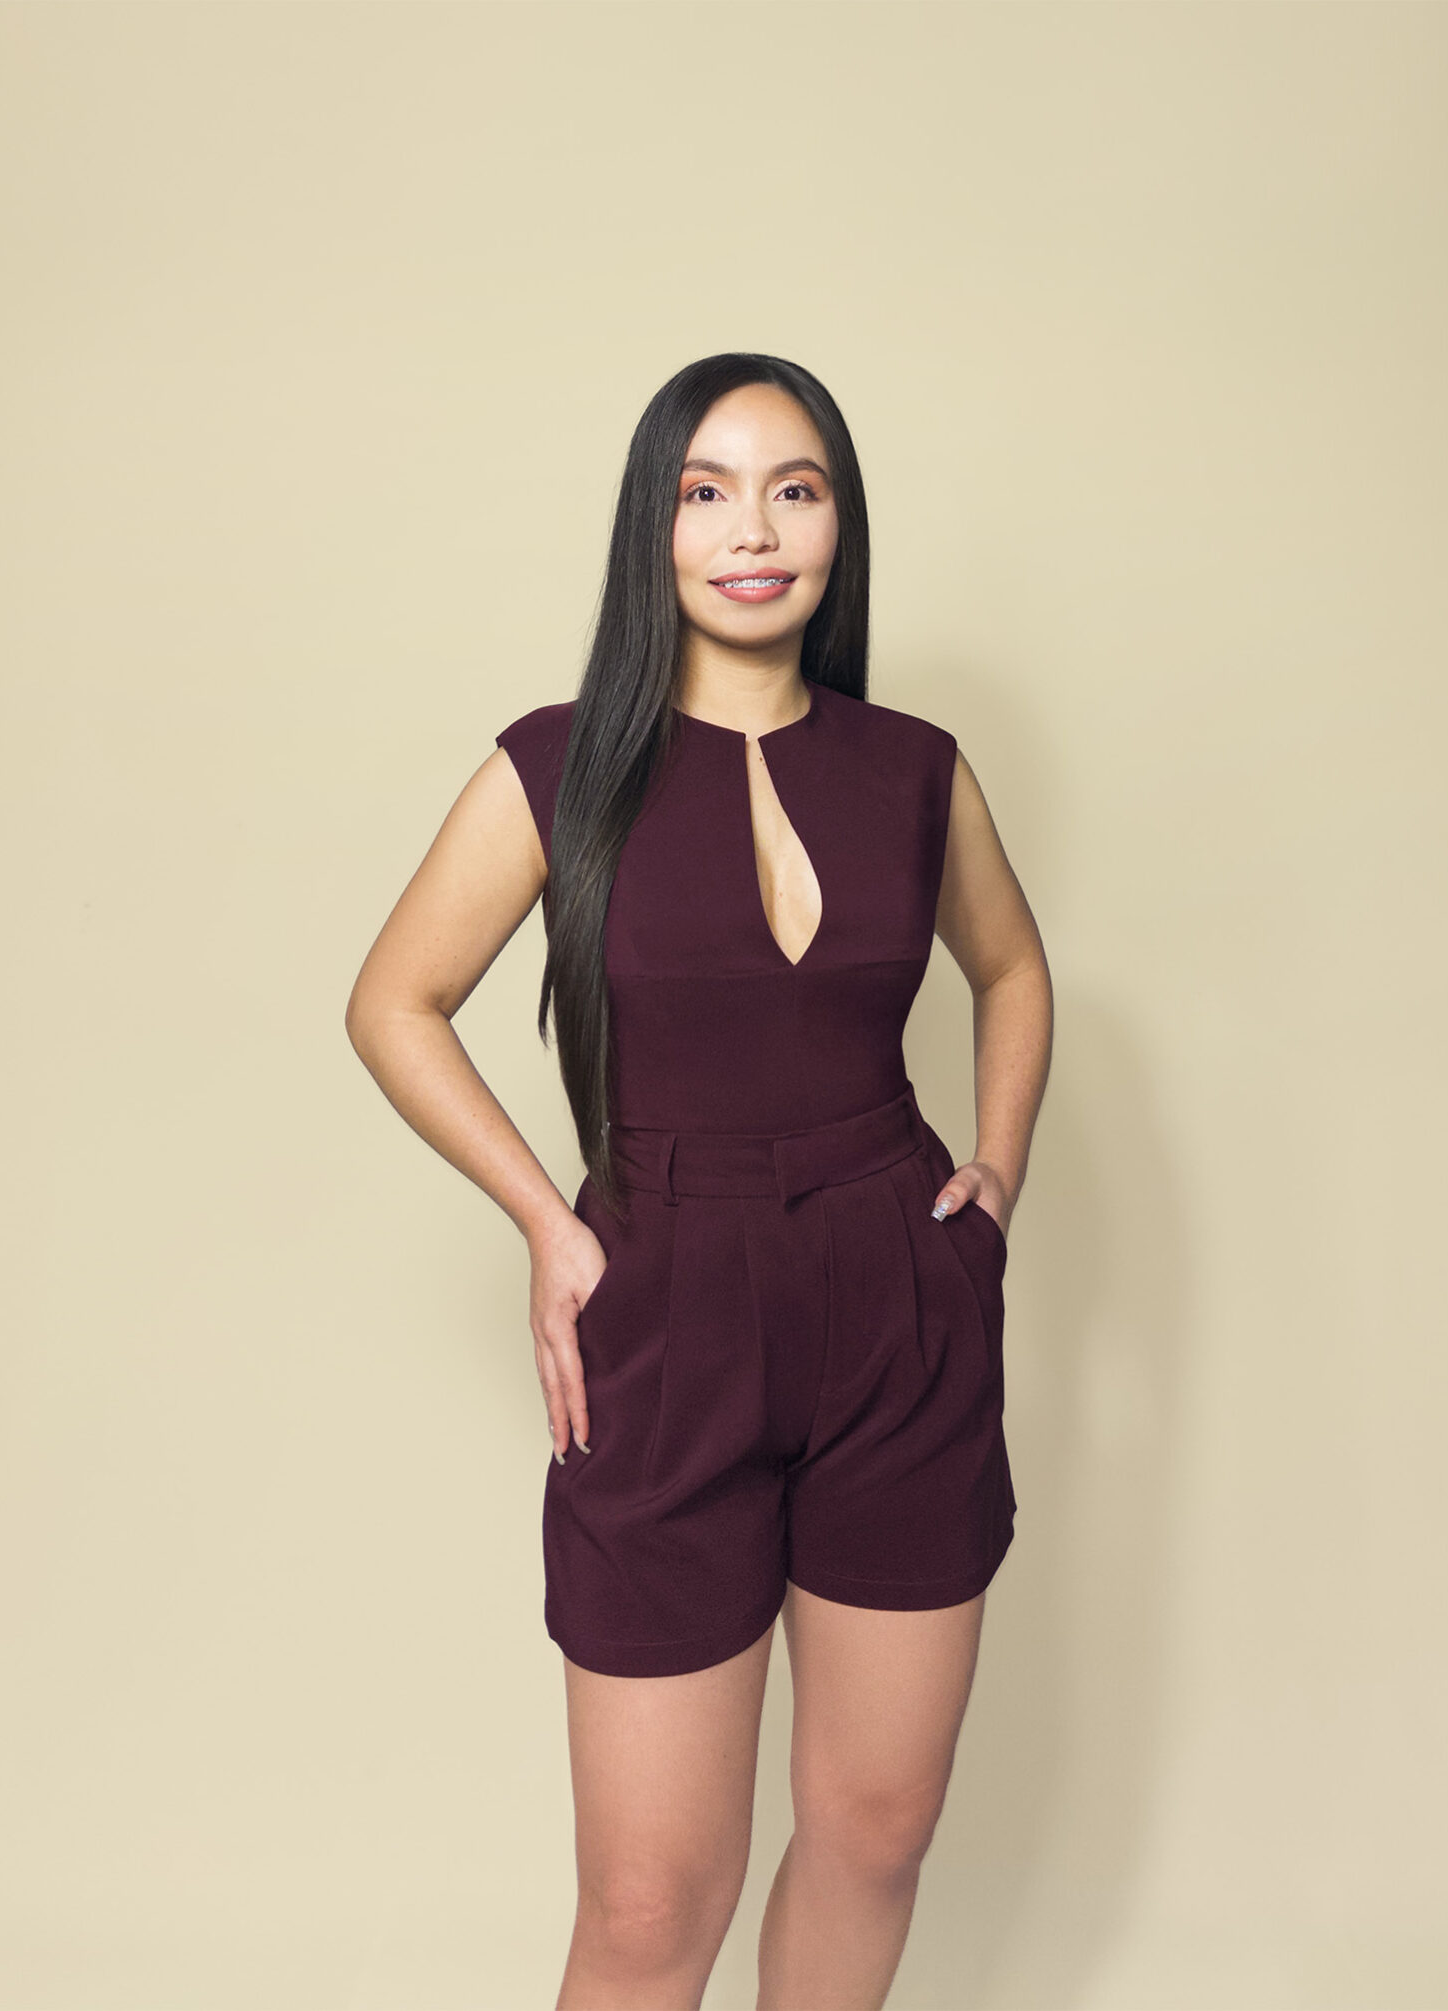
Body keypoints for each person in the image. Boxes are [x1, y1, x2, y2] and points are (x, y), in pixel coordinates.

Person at [345, 353, 1053, 2011]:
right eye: (706, 491)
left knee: (876, 1829)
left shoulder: (917, 768)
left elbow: (1014, 970)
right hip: (664, 1311)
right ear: (651, 530)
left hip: (900, 1303)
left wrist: (996, 1180)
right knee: (653, 1898)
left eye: (796, 489)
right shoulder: (556, 765)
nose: (755, 530)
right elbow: (393, 1001)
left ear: (838, 526)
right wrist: (547, 1221)